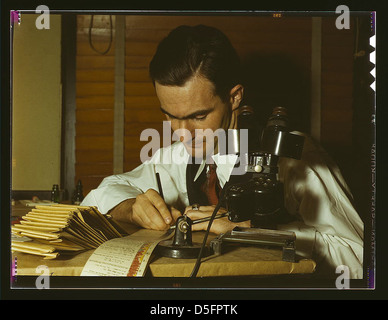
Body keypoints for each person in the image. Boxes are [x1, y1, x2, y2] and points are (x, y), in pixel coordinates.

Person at [81, 25, 364, 279]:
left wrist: (255, 233)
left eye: (199, 116)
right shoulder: (179, 155)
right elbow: (102, 193)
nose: (182, 133)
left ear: (234, 97)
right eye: (169, 116)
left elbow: (358, 257)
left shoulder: (294, 157)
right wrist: (130, 208)